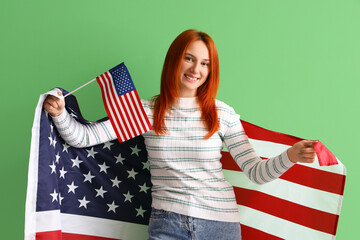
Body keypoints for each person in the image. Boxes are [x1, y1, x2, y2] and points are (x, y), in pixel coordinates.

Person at [43, 29, 316, 240]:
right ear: (175, 59)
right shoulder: (146, 111)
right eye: (189, 58)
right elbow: (82, 138)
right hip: (167, 223)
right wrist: (60, 114)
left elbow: (257, 172)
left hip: (220, 225)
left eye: (204, 63)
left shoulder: (223, 113)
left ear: (211, 70)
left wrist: (291, 155)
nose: (196, 69)